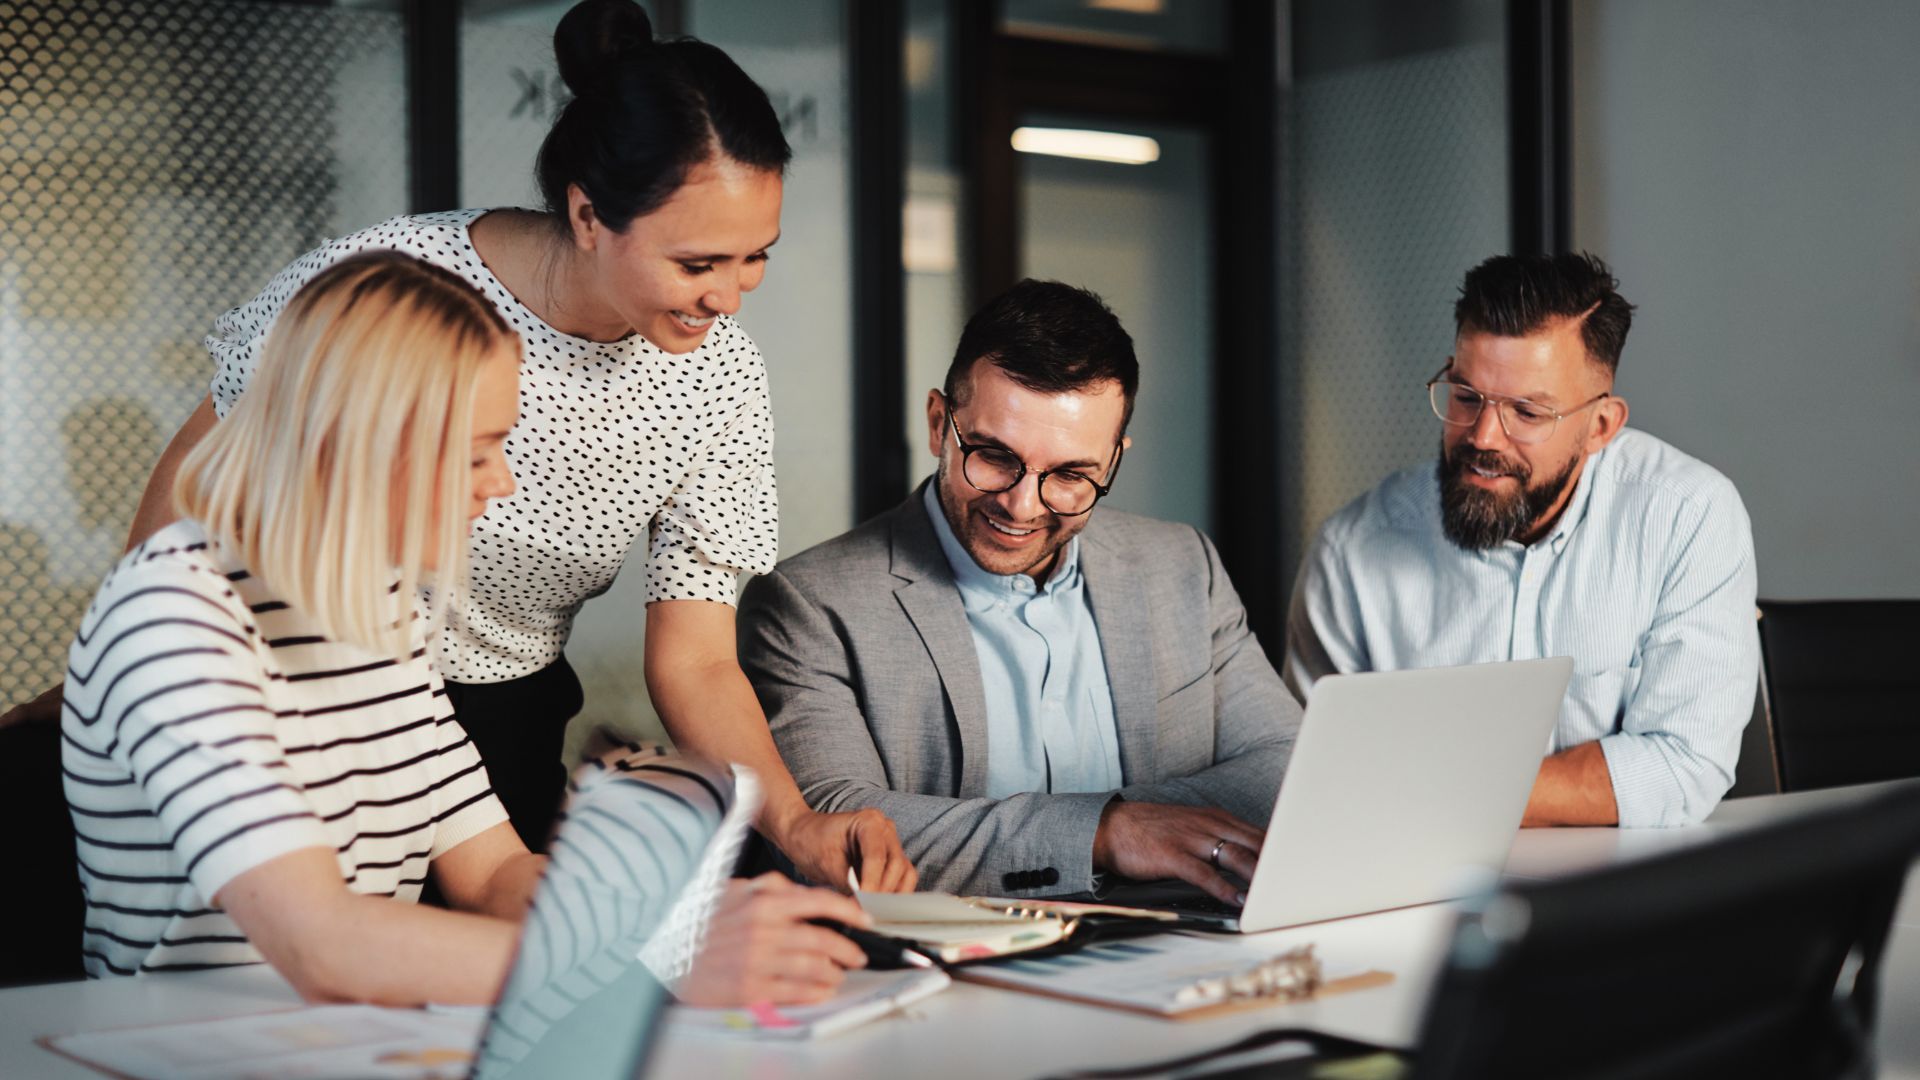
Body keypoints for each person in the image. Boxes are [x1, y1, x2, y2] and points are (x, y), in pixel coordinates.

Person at [29, 0, 913, 891]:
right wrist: (136, 663)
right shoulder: (399, 290)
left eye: (755, 256)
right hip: (294, 681)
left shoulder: (718, 378)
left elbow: (695, 653)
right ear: (587, 214)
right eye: (697, 264)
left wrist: (794, 824)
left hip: (490, 719)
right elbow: (199, 485)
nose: (729, 296)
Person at [61, 253, 873, 1006]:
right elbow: (320, 942)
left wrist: (684, 922)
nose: (502, 481)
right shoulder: (176, 610)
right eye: (479, 449)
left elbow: (492, 875)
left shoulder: (384, 610)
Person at [738, 280, 1302, 904]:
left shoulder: (1182, 568)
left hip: (1183, 953)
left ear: (1112, 462)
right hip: (950, 978)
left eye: (1069, 475)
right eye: (993, 456)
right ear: (938, 425)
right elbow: (836, 833)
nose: (1021, 504)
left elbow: (1287, 766)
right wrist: (1104, 833)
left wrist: (1105, 826)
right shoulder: (807, 603)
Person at [1284, 253, 1759, 828]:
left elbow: (1685, 765)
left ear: (1601, 426)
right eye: (1465, 396)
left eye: (1527, 412)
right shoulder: (1351, 552)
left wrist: (1442, 797)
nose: (1484, 436)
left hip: (1626, 894)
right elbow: (1312, 780)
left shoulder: (1689, 517)